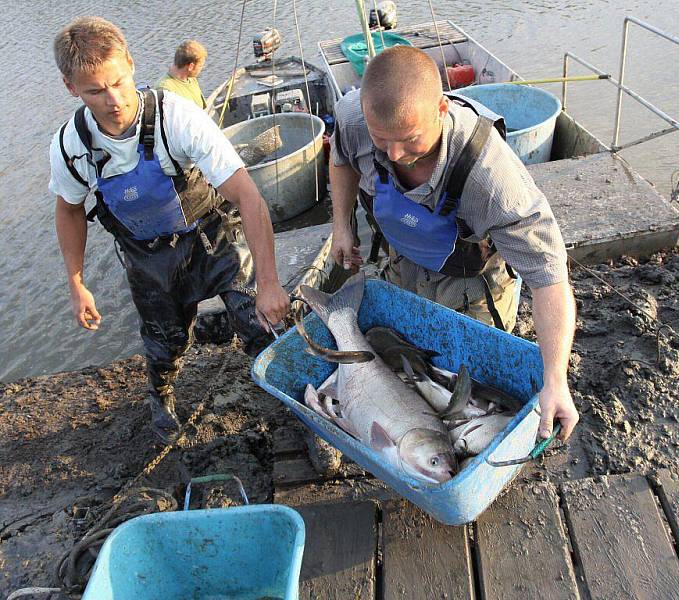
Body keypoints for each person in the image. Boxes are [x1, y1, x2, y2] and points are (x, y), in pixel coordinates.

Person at [49, 17, 289, 443]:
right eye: (95, 91)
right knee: (165, 343)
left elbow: (248, 198)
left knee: (259, 317)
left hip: (208, 235)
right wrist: (76, 283)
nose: (114, 101)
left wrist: (270, 282)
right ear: (72, 88)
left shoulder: (176, 118)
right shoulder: (72, 146)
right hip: (146, 256)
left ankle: (292, 396)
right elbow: (69, 211)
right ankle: (161, 398)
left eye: (119, 83)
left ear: (131, 64)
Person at [329, 46, 579, 441]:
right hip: (402, 254)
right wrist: (341, 225)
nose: (394, 154)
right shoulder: (353, 119)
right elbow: (342, 159)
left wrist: (555, 380)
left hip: (468, 274)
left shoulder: (493, 182)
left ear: (441, 111)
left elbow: (549, 278)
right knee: (406, 355)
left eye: (410, 140)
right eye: (382, 139)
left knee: (468, 377)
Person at [155, 39, 207, 109]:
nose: (202, 69)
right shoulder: (165, 90)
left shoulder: (191, 79)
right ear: (191, 66)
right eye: (200, 66)